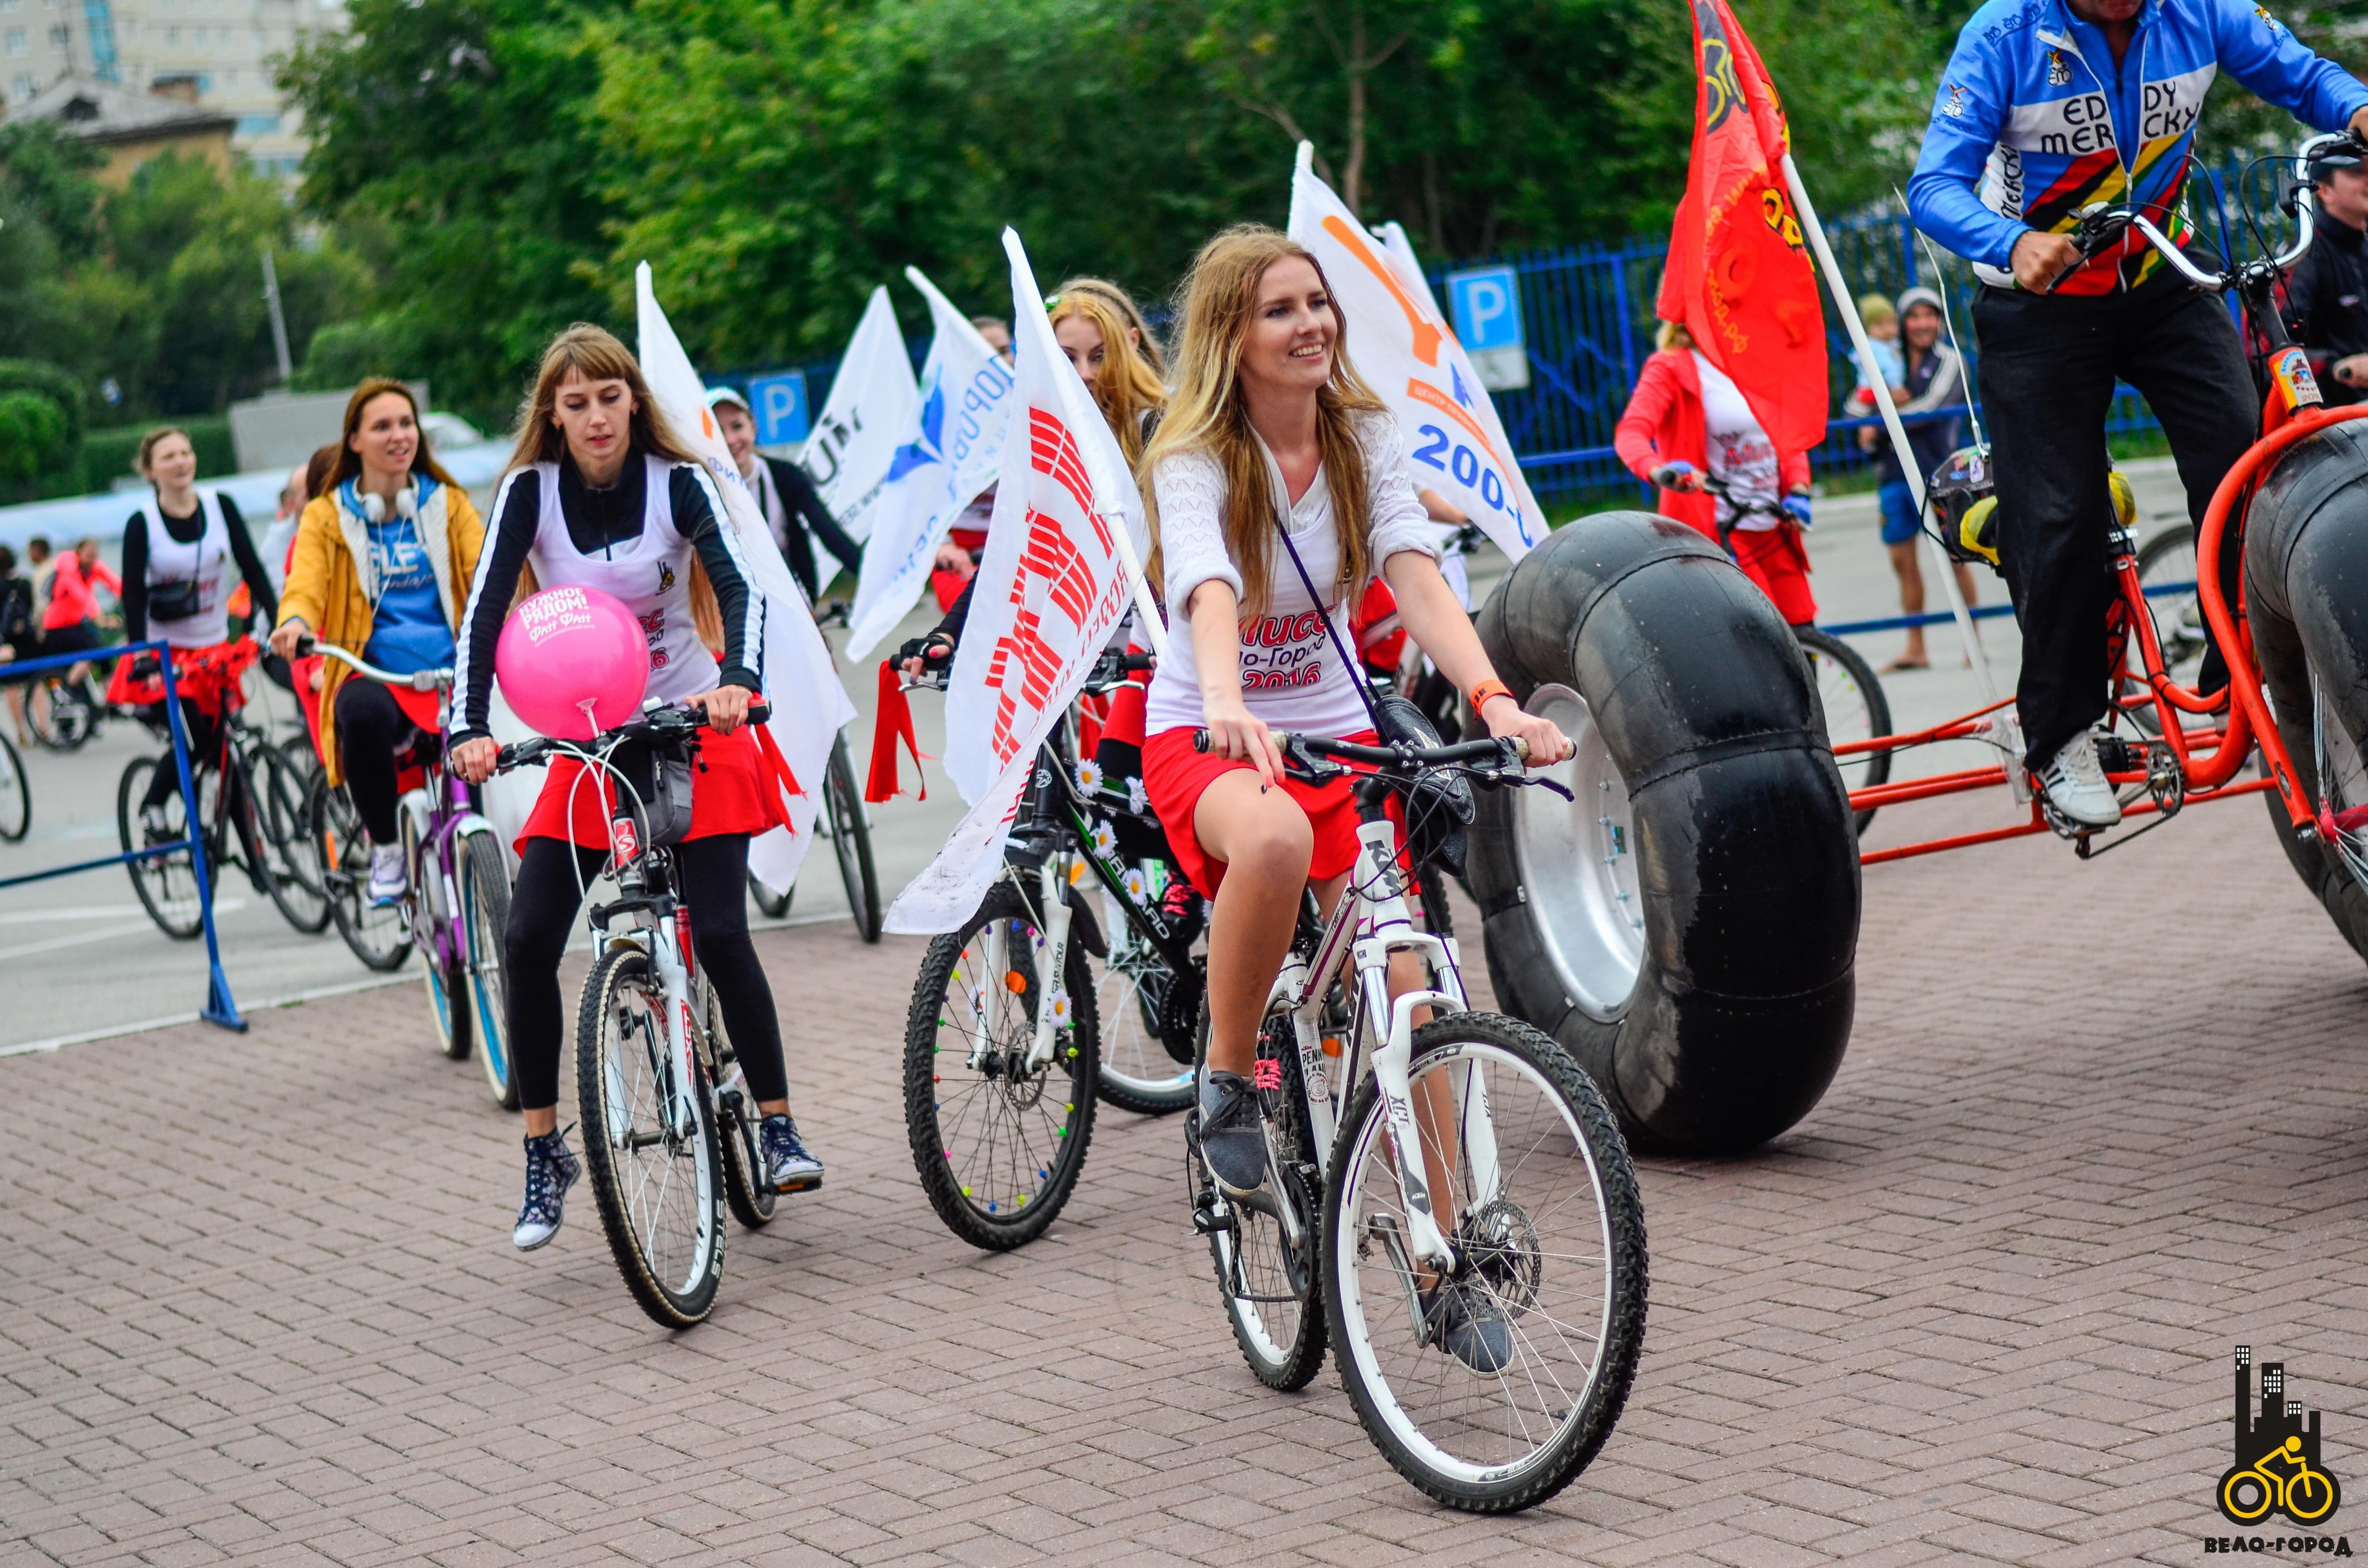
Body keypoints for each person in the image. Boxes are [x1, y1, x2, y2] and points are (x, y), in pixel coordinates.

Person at [1137, 226, 1569, 1372]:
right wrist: (1227, 696)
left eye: (1318, 303)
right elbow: (1205, 583)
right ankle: (1230, 1078)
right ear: (1234, 334)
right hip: (1209, 736)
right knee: (1270, 838)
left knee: (1412, 990)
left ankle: (1442, 1264)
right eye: (1282, 310)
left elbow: (1411, 566)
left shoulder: (1363, 432)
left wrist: (1491, 698)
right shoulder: (1194, 455)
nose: (1311, 324)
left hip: (1340, 741)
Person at [1908, 0, 2368, 830]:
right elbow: (1933, 184)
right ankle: (2060, 739)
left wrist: (2354, 106)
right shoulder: (2004, 35)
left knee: (2248, 465)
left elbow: (2301, 74)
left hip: (2162, 279)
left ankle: (2252, 661)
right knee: (2056, 519)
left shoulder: (2198, 13)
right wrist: (2008, 242)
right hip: (2038, 300)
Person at [445, 324, 823, 1250]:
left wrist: (739, 679)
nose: (595, 415)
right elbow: (484, 614)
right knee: (530, 934)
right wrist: (469, 726)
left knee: (724, 930)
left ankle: (775, 1122)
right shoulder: (528, 494)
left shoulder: (677, 479)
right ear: (554, 415)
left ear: (631, 401)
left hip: (696, 723)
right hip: (588, 736)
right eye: (574, 403)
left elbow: (742, 588)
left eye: (609, 397)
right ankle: (544, 1150)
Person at [268, 382, 486, 906]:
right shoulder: (326, 515)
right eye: (382, 427)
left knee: (490, 767)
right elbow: (305, 584)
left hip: (454, 669)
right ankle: (386, 846)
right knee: (358, 713)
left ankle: (488, 865)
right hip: (378, 674)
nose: (398, 436)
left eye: (406, 424)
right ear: (356, 441)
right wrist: (295, 622)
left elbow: (485, 571)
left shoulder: (448, 504)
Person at [115, 427, 280, 841]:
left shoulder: (220, 506)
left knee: (229, 749)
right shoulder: (143, 523)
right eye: (168, 456)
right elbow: (131, 594)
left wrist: (281, 621)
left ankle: (250, 854)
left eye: (186, 453)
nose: (181, 462)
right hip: (165, 654)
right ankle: (152, 808)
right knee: (197, 738)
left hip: (215, 648)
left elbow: (252, 567)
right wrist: (140, 655)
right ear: (150, 470)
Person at [1613, 319, 1818, 625]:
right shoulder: (1670, 367)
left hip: (1773, 525)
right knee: (1764, 637)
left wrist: (1799, 489)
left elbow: (1786, 435)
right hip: (1721, 531)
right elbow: (1631, 432)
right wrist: (1659, 471)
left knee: (1805, 633)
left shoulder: (1759, 361)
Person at [1872, 288, 1981, 671]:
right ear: (1903, 322)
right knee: (1902, 562)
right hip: (1892, 475)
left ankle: (1974, 644)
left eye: (1929, 316)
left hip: (1939, 475)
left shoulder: (1952, 361)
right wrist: (1879, 407)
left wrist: (1879, 420)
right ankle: (1916, 648)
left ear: (1939, 320)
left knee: (1956, 557)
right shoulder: (1888, 360)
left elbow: (1930, 410)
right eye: (1914, 316)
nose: (1922, 324)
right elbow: (1854, 404)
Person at [705, 384, 862, 604]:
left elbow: (829, 533)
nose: (731, 439)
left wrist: (871, 577)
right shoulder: (701, 489)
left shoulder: (785, 476)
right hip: (734, 605)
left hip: (792, 597)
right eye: (719, 432)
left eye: (737, 426)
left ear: (753, 427)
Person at [2285, 142, 2368, 407]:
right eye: (2358, 174)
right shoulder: (2302, 255)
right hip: (2330, 423)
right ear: (2325, 190)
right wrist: (2337, 368)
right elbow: (2267, 349)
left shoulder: (2362, 248)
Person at [40, 535, 121, 685]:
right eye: (89, 556)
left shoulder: (93, 568)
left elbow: (115, 583)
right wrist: (100, 618)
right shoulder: (68, 573)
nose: (92, 560)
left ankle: (110, 701)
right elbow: (83, 596)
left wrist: (132, 599)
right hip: (57, 628)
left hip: (75, 624)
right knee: (95, 650)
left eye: (95, 556)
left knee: (104, 656)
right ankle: (68, 686)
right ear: (78, 553)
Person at [0, 544, 35, 746]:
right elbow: (32, 610)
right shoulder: (25, 582)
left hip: (5, 643)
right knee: (35, 683)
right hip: (27, 639)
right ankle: (42, 728)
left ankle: (21, 731)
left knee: (12, 686)